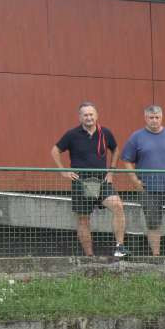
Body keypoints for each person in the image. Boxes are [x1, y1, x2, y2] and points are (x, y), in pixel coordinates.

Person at [50, 102, 127, 258]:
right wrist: (63, 171)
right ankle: (89, 257)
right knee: (83, 219)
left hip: (102, 181)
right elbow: (55, 151)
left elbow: (116, 149)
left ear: (96, 115)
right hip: (81, 182)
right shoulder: (72, 134)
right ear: (80, 117)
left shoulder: (105, 132)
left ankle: (120, 247)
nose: (89, 117)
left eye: (91, 114)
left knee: (118, 205)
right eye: (85, 115)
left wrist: (111, 170)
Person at [121, 105, 165, 256]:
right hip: (148, 187)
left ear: (161, 117)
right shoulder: (136, 137)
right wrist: (134, 180)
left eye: (157, 117)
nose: (154, 120)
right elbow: (126, 160)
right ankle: (156, 256)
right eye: (151, 118)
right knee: (153, 222)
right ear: (145, 118)